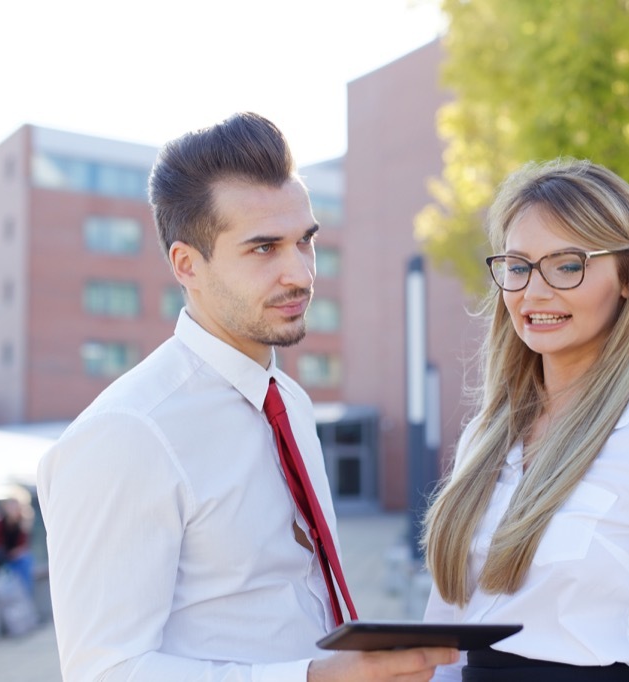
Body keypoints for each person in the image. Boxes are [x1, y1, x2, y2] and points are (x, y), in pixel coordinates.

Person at [37, 112, 457, 682]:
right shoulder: (128, 431)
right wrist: (309, 679)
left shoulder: (292, 404)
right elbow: (104, 672)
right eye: (264, 249)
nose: (301, 274)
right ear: (187, 265)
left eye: (305, 242)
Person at [422, 159, 629, 680]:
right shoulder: (486, 436)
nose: (534, 292)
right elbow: (444, 640)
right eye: (518, 266)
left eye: (567, 265)